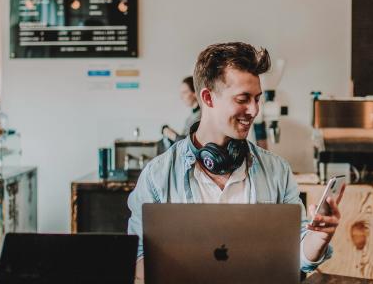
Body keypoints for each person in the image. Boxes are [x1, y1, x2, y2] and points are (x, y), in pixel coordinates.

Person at [127, 42, 344, 280]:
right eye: (243, 99)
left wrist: (319, 237)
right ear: (208, 98)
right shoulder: (157, 176)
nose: (254, 110)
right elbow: (137, 257)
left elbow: (297, 257)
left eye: (257, 99)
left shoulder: (277, 170)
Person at [162, 76, 201, 142]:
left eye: (184, 92)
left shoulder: (201, 116)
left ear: (195, 92)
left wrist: (170, 134)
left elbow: (188, 145)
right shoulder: (191, 116)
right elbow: (184, 138)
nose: (181, 97)